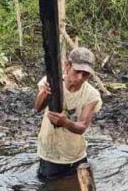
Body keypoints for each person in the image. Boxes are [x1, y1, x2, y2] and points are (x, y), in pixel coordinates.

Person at [34, 47, 103, 181]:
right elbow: (37, 108)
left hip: (75, 154)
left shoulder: (91, 95)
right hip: (50, 152)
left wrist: (65, 123)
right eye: (77, 72)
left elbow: (82, 127)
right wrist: (43, 93)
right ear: (67, 65)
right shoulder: (52, 82)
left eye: (85, 74)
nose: (80, 78)